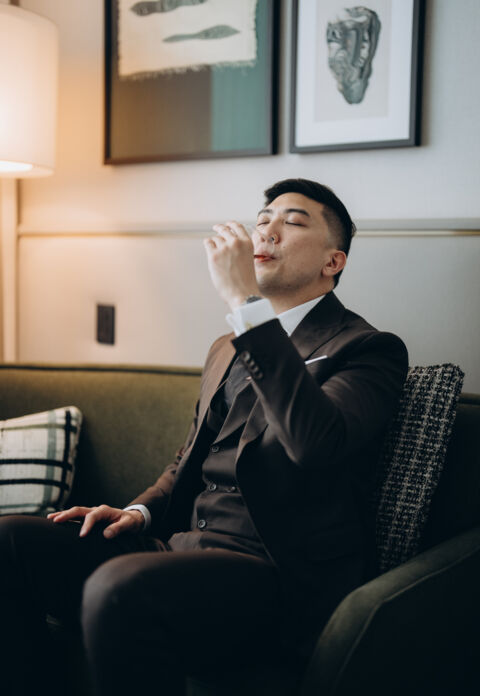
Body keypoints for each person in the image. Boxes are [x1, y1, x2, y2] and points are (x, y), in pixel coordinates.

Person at [0, 178, 408, 696]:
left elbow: (313, 444)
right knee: (10, 541)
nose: (268, 231)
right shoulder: (226, 346)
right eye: (262, 221)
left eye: (292, 222)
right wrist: (139, 512)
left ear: (334, 261)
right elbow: (189, 458)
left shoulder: (368, 349)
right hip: (179, 550)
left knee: (117, 587)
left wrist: (244, 301)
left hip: (272, 573)